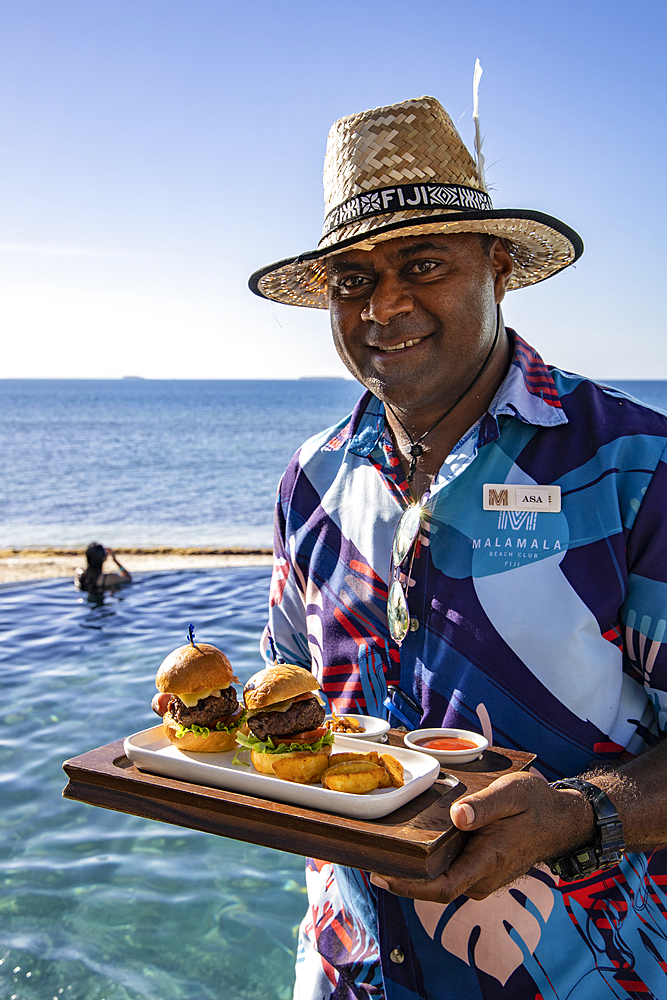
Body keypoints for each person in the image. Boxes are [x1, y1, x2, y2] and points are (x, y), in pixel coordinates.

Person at [247, 94, 667, 998]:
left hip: (583, 976)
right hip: (344, 969)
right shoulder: (310, 479)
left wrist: (577, 812)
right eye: (351, 279)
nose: (384, 305)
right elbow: (289, 701)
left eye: (423, 263)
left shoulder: (634, 466)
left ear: (499, 266)